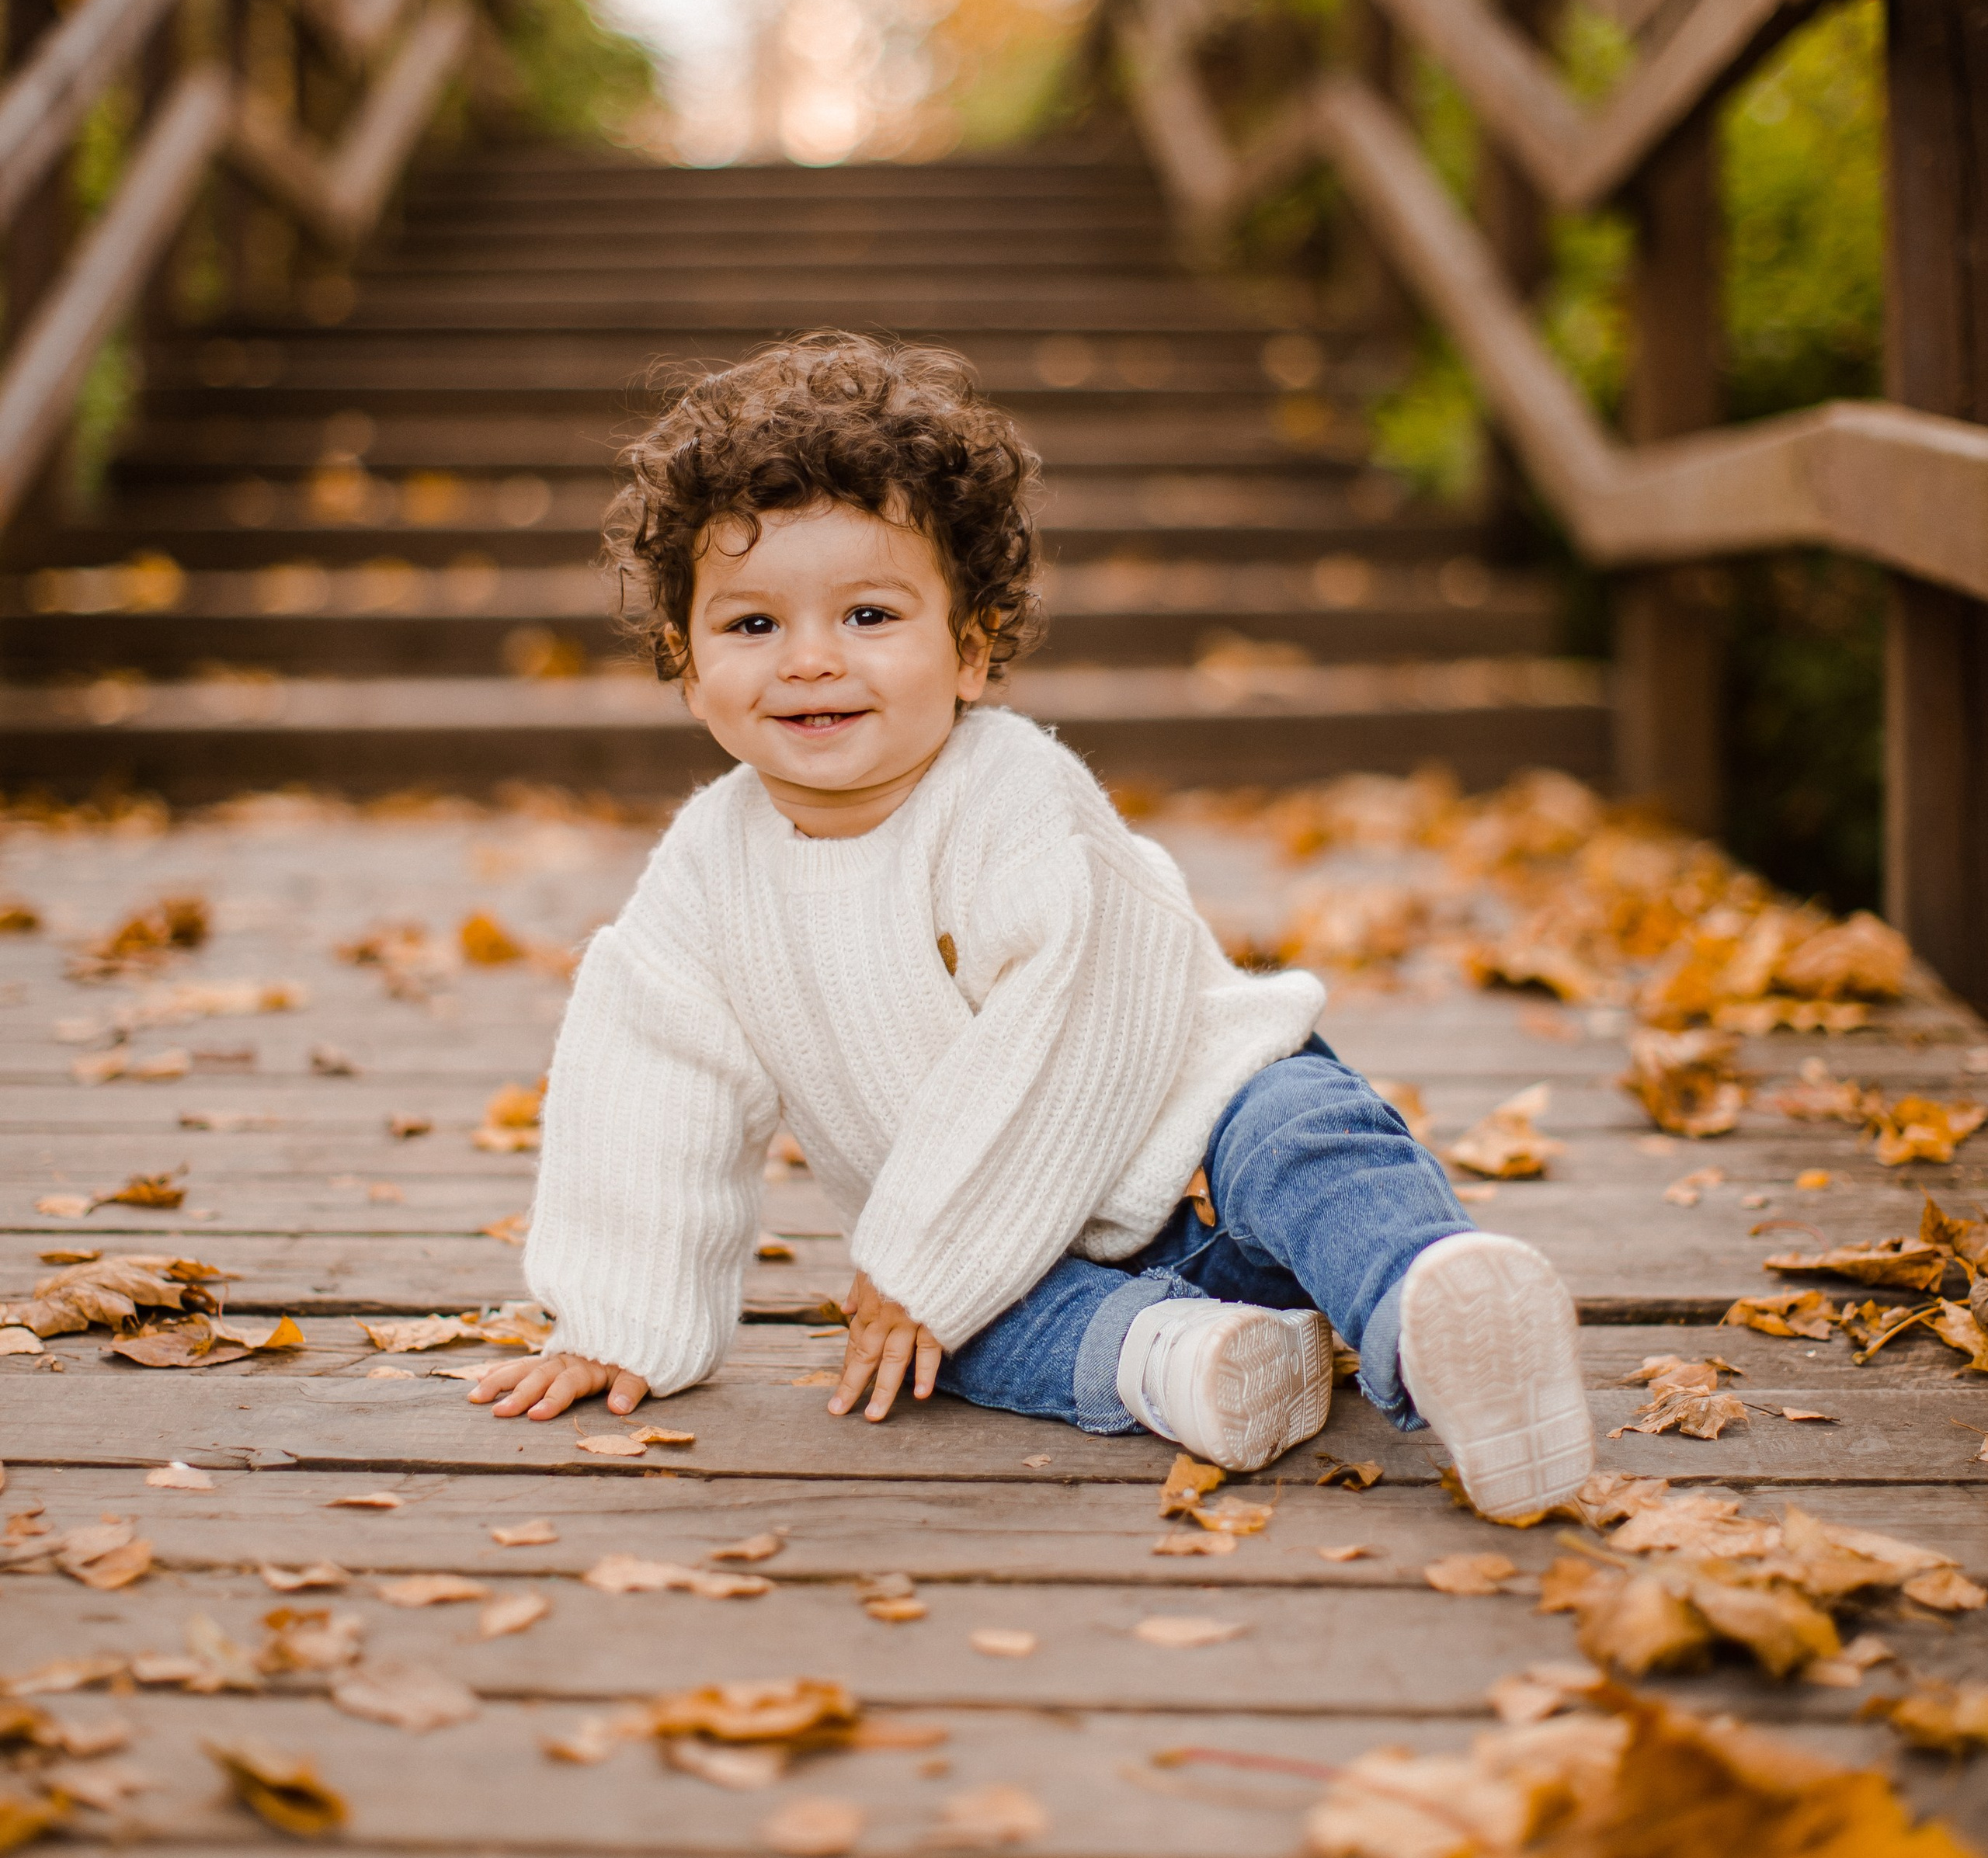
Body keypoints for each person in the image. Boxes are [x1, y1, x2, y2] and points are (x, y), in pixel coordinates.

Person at [469, 333, 1593, 1516]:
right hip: (1019, 1260)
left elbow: (1070, 1029)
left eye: (866, 615)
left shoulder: (1013, 793)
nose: (808, 660)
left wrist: (927, 1262)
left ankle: (1440, 1316)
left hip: (1198, 1149)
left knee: (1308, 1134)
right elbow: (651, 1080)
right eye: (752, 627)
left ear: (969, 649)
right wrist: (621, 1322)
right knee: (933, 1345)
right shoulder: (708, 868)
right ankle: (1184, 1363)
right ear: (687, 669)